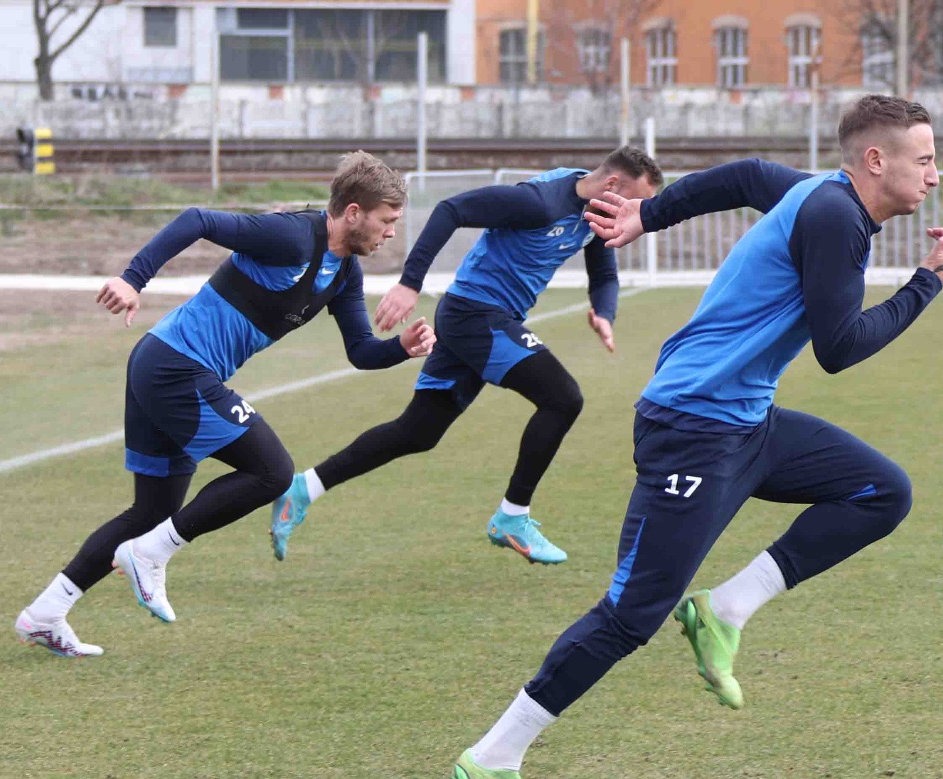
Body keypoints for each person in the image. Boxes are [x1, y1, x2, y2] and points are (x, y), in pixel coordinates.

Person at [449, 95, 943, 779]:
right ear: (876, 161)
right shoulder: (835, 217)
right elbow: (839, 347)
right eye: (926, 159)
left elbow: (748, 175)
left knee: (881, 491)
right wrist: (927, 283)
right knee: (630, 616)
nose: (935, 175)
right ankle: (494, 755)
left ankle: (725, 609)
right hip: (691, 430)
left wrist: (647, 216)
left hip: (745, 423)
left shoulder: (822, 193)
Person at [14, 151, 435, 658]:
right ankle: (149, 555)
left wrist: (401, 349)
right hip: (175, 367)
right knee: (273, 471)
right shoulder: (290, 237)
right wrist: (132, 279)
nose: (391, 232)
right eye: (387, 220)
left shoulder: (344, 274)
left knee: (153, 511)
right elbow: (198, 219)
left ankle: (46, 613)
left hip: (162, 365)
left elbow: (361, 351)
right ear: (352, 212)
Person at [267, 146, 662, 565]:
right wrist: (410, 283)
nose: (635, 212)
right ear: (612, 184)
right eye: (635, 200)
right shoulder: (539, 203)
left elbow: (604, 274)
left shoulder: (597, 212)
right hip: (475, 315)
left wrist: (604, 312)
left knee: (418, 431)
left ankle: (304, 488)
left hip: (475, 319)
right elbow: (451, 209)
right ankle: (512, 517)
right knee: (563, 398)